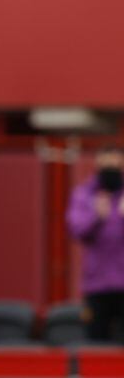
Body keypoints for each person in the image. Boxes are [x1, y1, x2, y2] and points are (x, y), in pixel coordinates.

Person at [67, 145, 124, 343]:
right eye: (106, 165)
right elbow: (76, 230)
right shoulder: (84, 194)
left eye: (116, 165)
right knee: (96, 343)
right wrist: (97, 217)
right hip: (97, 284)